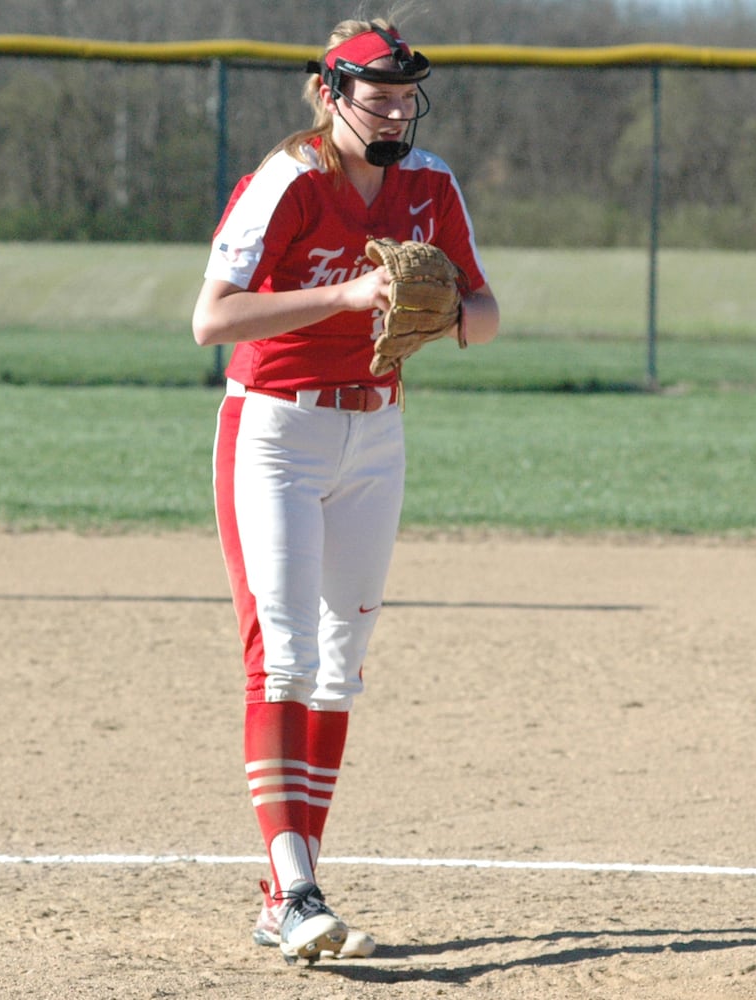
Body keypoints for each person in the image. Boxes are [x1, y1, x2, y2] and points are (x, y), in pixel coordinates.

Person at [191, 17, 499, 964]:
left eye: (407, 93)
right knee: (280, 657)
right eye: (379, 94)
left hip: (376, 431)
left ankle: (285, 888)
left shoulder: (430, 184)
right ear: (332, 94)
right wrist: (343, 297)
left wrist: (445, 305)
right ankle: (297, 893)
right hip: (275, 429)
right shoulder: (287, 181)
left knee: (340, 664)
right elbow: (211, 318)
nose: (398, 108)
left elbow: (485, 317)